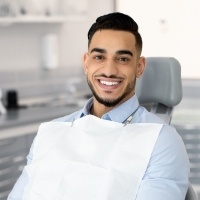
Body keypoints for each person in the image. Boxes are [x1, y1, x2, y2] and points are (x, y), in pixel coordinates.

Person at [8, 12, 189, 200]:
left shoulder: (161, 142)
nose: (109, 71)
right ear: (86, 63)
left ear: (139, 66)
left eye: (123, 59)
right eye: (99, 57)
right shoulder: (51, 132)